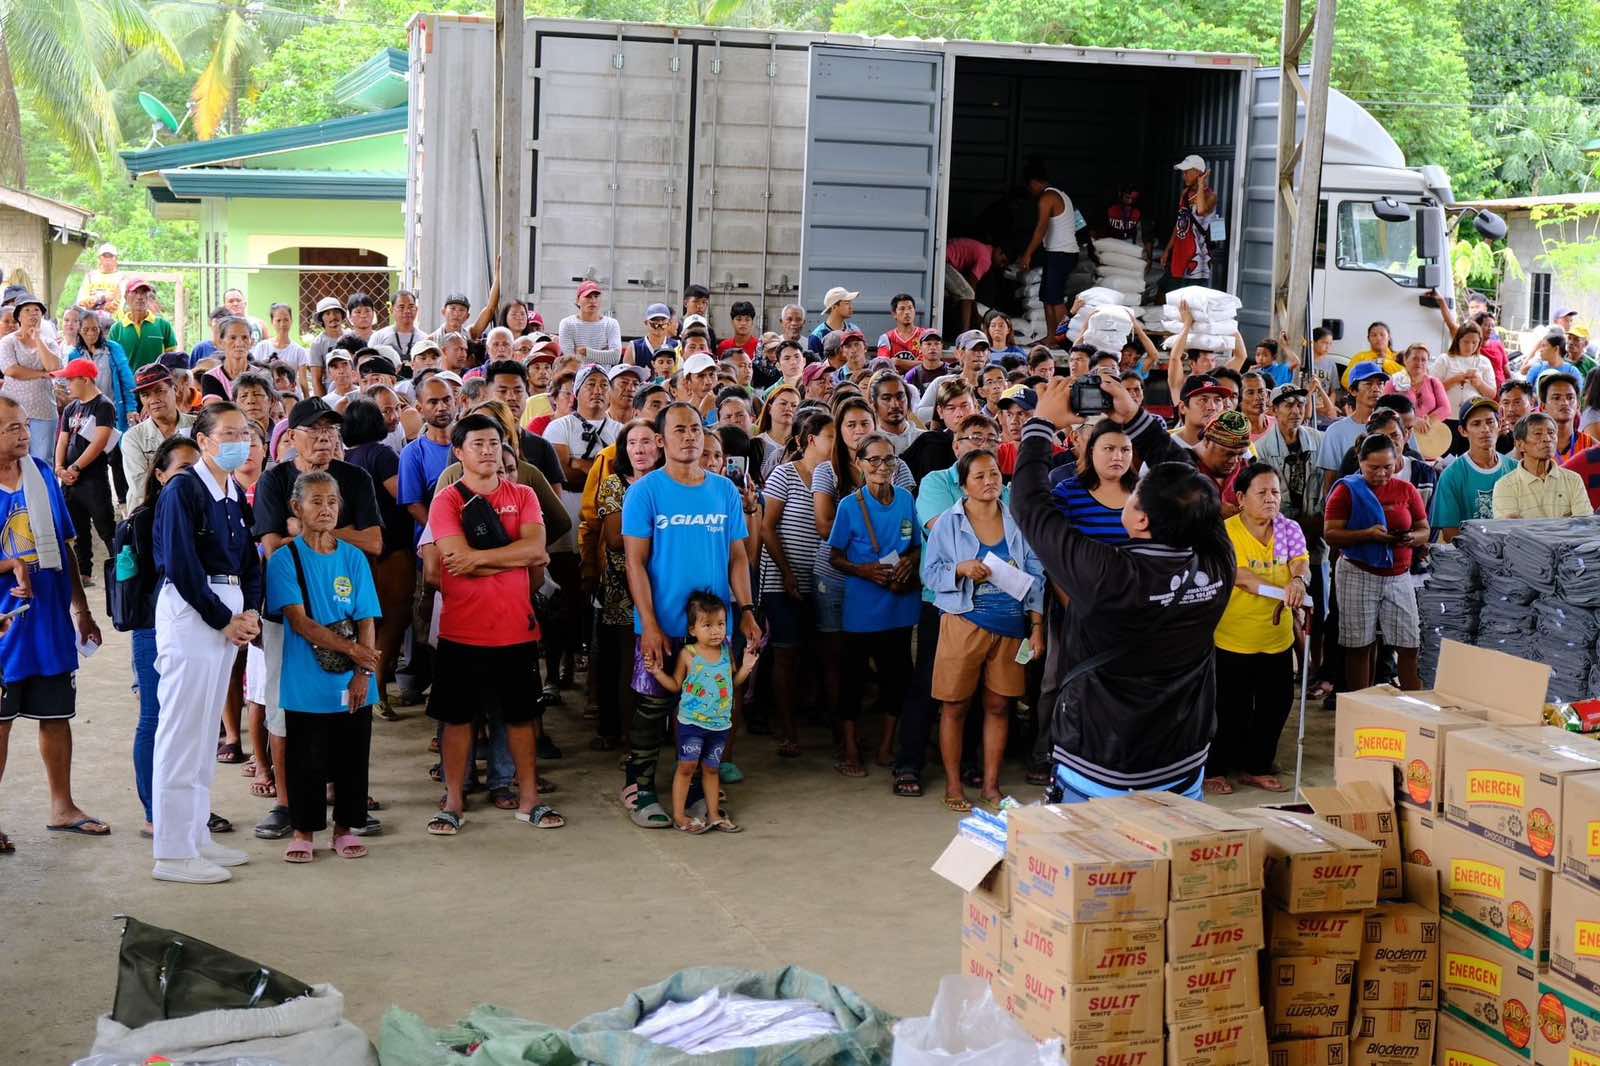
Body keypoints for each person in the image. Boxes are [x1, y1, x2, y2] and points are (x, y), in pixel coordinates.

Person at [1013, 377, 1233, 801]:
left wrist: (1040, 424)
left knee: (1098, 868)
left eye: (1136, 498)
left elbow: (1029, 506)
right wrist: (1136, 420)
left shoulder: (1108, 575)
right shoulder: (1217, 564)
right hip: (1182, 763)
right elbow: (1192, 485)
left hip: (1099, 766)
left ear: (1140, 521)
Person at [621, 403, 760, 829]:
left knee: (706, 712)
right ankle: (640, 786)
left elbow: (738, 559)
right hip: (661, 625)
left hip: (714, 631)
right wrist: (649, 625)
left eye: (696, 429)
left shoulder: (723, 492)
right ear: (661, 440)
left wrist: (748, 611)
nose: (690, 437)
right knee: (652, 706)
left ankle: (700, 788)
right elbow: (635, 564)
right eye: (679, 430)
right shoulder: (644, 492)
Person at [249, 398, 382, 840]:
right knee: (288, 710)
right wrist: (316, 537)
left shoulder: (356, 478)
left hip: (344, 609)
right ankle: (288, 803)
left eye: (331, 430)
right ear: (292, 436)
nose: (325, 437)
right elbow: (272, 546)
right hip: (289, 614)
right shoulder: (274, 480)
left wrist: (314, 529)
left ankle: (345, 802)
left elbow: (375, 542)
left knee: (347, 710)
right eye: (315, 429)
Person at [424, 412, 560, 835]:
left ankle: (529, 799)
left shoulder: (523, 495)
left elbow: (537, 553)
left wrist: (478, 560)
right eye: (477, 444)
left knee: (521, 718)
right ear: (459, 451)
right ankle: (453, 801)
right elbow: (450, 558)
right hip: (462, 630)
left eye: (493, 443)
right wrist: (511, 558)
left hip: (515, 628)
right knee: (458, 718)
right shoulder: (447, 499)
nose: (487, 451)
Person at [150, 403, 260, 882]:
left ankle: (195, 835)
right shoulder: (184, 489)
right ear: (205, 440)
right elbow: (181, 562)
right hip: (195, 611)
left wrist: (250, 610)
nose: (242, 441)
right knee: (180, 731)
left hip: (229, 607)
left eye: (247, 434)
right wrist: (222, 618)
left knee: (202, 732)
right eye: (230, 433)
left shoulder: (233, 490)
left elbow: (250, 558)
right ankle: (171, 852)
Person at [0, 393, 110, 855]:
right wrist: (9, 565)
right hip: (6, 628)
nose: (24, 434)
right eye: (12, 429)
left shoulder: (42, 474)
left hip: (48, 622)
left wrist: (81, 610)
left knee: (56, 715)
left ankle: (62, 806)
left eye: (25, 426)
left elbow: (64, 547)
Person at [265, 470, 381, 862]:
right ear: (297, 508)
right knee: (306, 758)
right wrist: (356, 653)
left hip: (354, 675)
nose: (326, 509)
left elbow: (366, 618)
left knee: (352, 756)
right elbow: (300, 622)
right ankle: (303, 831)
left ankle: (345, 829)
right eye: (316, 501)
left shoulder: (354, 558)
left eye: (332, 501)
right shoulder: (284, 560)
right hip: (306, 679)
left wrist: (364, 674)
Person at [923, 448, 1044, 810]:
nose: (990, 481)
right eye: (980, 476)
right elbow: (930, 574)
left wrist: (1036, 626)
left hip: (1009, 625)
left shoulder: (1017, 519)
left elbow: (1037, 576)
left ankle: (991, 786)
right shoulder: (948, 522)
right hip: (964, 621)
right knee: (954, 706)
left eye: (994, 474)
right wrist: (960, 568)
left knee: (998, 706)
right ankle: (954, 785)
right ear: (963, 486)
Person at [1208, 463, 1309, 795]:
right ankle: (1216, 768)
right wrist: (1286, 592)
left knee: (1275, 705)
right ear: (1241, 498)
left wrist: (1298, 579)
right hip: (1233, 639)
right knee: (1229, 709)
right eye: (1262, 492)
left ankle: (1257, 766)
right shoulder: (1226, 532)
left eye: (1276, 492)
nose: (1271, 499)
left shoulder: (1287, 528)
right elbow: (1243, 579)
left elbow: (1300, 561)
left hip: (1276, 639)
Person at [124, 437, 206, 836]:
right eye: (181, 470)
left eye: (197, 469)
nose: (191, 478)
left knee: (190, 719)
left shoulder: (208, 512)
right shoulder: (142, 520)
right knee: (155, 718)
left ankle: (187, 807)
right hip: (154, 629)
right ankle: (155, 813)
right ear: (159, 475)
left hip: (197, 625)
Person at [826, 432, 921, 778]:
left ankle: (885, 747)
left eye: (889, 460)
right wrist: (862, 570)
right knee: (852, 679)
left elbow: (918, 545)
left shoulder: (908, 499)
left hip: (900, 602)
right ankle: (850, 748)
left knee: (897, 678)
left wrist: (911, 560)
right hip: (863, 607)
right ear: (860, 464)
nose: (883, 466)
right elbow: (835, 555)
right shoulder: (850, 506)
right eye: (874, 460)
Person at [646, 590, 758, 834]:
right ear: (692, 629)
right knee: (686, 767)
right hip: (691, 724)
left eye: (720, 624)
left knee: (711, 769)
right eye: (707, 625)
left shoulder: (727, 653)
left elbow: (732, 683)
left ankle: (714, 814)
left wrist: (747, 668)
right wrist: (656, 672)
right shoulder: (689, 654)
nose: (716, 630)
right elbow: (676, 685)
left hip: (719, 725)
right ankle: (678, 815)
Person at [1324, 433, 1428, 691]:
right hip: (1358, 572)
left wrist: (1411, 538)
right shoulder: (1347, 490)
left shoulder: (1406, 490)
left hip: (1398, 574)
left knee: (1409, 642)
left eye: (1388, 467)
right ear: (1360, 463)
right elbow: (1331, 534)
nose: (1382, 473)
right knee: (1359, 645)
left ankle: (1413, 706)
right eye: (1374, 468)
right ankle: (1361, 704)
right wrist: (1366, 535)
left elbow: (1423, 528)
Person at [757, 410, 833, 759]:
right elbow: (767, 527)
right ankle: (787, 731)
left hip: (822, 581)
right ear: (810, 440)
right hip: (781, 578)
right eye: (829, 436)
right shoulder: (785, 474)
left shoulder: (834, 477)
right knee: (785, 654)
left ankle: (819, 721)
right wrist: (787, 572)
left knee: (819, 655)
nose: (835, 443)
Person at [340, 399, 412, 721]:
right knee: (392, 622)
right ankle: (378, 691)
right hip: (389, 550)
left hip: (357, 553)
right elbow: (401, 493)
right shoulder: (382, 454)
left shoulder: (346, 458)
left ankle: (366, 687)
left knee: (367, 622)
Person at [594, 419, 660, 752]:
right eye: (632, 443)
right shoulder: (614, 484)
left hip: (663, 584)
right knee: (626, 665)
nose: (639, 449)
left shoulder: (669, 483)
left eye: (646, 441)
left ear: (660, 445)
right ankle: (626, 736)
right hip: (623, 587)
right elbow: (616, 540)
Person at [51, 359, 118, 584]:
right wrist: (59, 468)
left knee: (105, 525)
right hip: (70, 481)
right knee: (77, 529)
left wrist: (76, 466)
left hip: (93, 479)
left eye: (70, 379)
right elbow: (62, 440)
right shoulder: (71, 408)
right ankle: (83, 573)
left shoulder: (103, 405)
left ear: (85, 379)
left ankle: (121, 567)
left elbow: (100, 440)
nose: (67, 384)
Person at [1432, 397, 1515, 540]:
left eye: (1490, 422)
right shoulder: (1451, 475)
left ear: (1500, 424)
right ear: (1463, 431)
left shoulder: (1515, 468)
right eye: (1476, 424)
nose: (1485, 429)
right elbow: (1450, 533)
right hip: (1472, 557)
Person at [1493, 413, 1594, 519]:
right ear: (1520, 445)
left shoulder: (1573, 480)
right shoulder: (1505, 486)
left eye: (1551, 433)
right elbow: (1512, 532)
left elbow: (1584, 526)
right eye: (1538, 434)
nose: (1547, 438)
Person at [0, 293, 64, 461]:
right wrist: (42, 374)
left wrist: (37, 340)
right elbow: (11, 370)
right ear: (19, 316)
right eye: (27, 310)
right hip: (13, 411)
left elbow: (54, 367)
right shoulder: (8, 342)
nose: (33, 313)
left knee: (43, 459)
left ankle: (44, 488)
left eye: (37, 310)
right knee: (14, 458)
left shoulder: (48, 342)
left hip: (44, 409)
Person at [1017, 162, 1079, 335]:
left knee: (1055, 299)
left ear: (1033, 183)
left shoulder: (1047, 198)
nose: (1031, 191)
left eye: (1030, 187)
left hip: (1061, 253)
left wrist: (1027, 255)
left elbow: (1041, 228)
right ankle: (1052, 337)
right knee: (1046, 297)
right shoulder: (1063, 195)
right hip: (1059, 253)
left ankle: (1068, 339)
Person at [121, 364, 194, 508]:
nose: (153, 400)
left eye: (159, 391)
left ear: (175, 390)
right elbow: (140, 487)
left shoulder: (197, 425)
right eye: (145, 395)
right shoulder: (133, 438)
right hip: (149, 514)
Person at [1161, 154, 1218, 292]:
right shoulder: (1185, 193)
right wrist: (1168, 250)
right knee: (1172, 296)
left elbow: (1201, 210)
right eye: (1183, 172)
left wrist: (1200, 185)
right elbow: (1180, 224)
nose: (1184, 175)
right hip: (1179, 255)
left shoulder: (1211, 196)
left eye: (1187, 172)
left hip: (1197, 260)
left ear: (1198, 173)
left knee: (1190, 300)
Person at [109, 279, 177, 372]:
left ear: (148, 297)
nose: (140, 297)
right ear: (125, 296)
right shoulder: (117, 329)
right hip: (129, 384)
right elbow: (112, 362)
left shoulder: (163, 326)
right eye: (135, 292)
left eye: (143, 292)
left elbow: (172, 360)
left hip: (156, 383)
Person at [945, 240, 1005, 334]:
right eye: (1002, 261)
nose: (1001, 265)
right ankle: (965, 333)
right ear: (999, 250)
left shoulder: (984, 249)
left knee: (954, 297)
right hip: (944, 261)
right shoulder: (986, 259)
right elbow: (971, 285)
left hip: (944, 257)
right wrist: (976, 314)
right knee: (968, 294)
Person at [558, 281, 622, 365]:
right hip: (577, 377)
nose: (593, 300)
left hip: (603, 377)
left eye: (596, 296)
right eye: (588, 296)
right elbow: (570, 361)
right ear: (577, 300)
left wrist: (586, 352)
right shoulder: (567, 323)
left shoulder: (611, 323)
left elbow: (615, 357)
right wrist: (603, 354)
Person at [1385, 343, 1449, 425]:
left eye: (1423, 360)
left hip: (1428, 433)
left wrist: (1426, 422)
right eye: (1415, 358)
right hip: (1401, 433)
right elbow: (1385, 409)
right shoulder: (1393, 382)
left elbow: (1445, 409)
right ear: (1405, 360)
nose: (1419, 362)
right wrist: (1412, 421)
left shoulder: (1434, 382)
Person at [252, 303, 309, 390]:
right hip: (267, 395)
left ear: (291, 321)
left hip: (291, 397)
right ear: (272, 322)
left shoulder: (299, 351)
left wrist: (307, 400)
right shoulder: (262, 347)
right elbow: (254, 374)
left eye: (286, 320)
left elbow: (303, 381)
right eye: (278, 320)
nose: (282, 324)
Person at [872, 371, 922, 455]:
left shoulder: (924, 438)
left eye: (900, 397)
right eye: (887, 399)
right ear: (874, 405)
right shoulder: (870, 443)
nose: (895, 405)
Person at [1341, 322, 1403, 387]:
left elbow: (1408, 379)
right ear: (1368, 339)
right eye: (1374, 335)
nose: (1378, 338)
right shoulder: (1360, 357)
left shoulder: (1399, 356)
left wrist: (1384, 362)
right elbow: (1345, 380)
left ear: (1389, 337)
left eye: (1382, 335)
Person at [370, 290, 422, 363]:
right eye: (401, 307)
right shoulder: (379, 337)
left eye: (411, 307)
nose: (407, 311)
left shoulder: (423, 338)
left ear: (416, 310)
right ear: (391, 310)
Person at [809, 287, 860, 356]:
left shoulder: (854, 330)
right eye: (847, 303)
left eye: (851, 303)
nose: (851, 307)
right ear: (834, 307)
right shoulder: (817, 336)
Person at [877, 294, 925, 365]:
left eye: (910, 308)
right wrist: (915, 363)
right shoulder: (886, 338)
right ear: (894, 314)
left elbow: (927, 365)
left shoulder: (924, 335)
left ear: (914, 311)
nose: (907, 312)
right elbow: (883, 365)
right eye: (902, 309)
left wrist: (897, 362)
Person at [76, 243, 125, 313]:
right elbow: (81, 301)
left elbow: (121, 302)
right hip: (91, 318)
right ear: (99, 258)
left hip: (112, 319)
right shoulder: (90, 276)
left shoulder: (122, 278)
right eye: (104, 256)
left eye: (111, 256)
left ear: (116, 258)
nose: (108, 259)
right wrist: (103, 298)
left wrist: (97, 300)